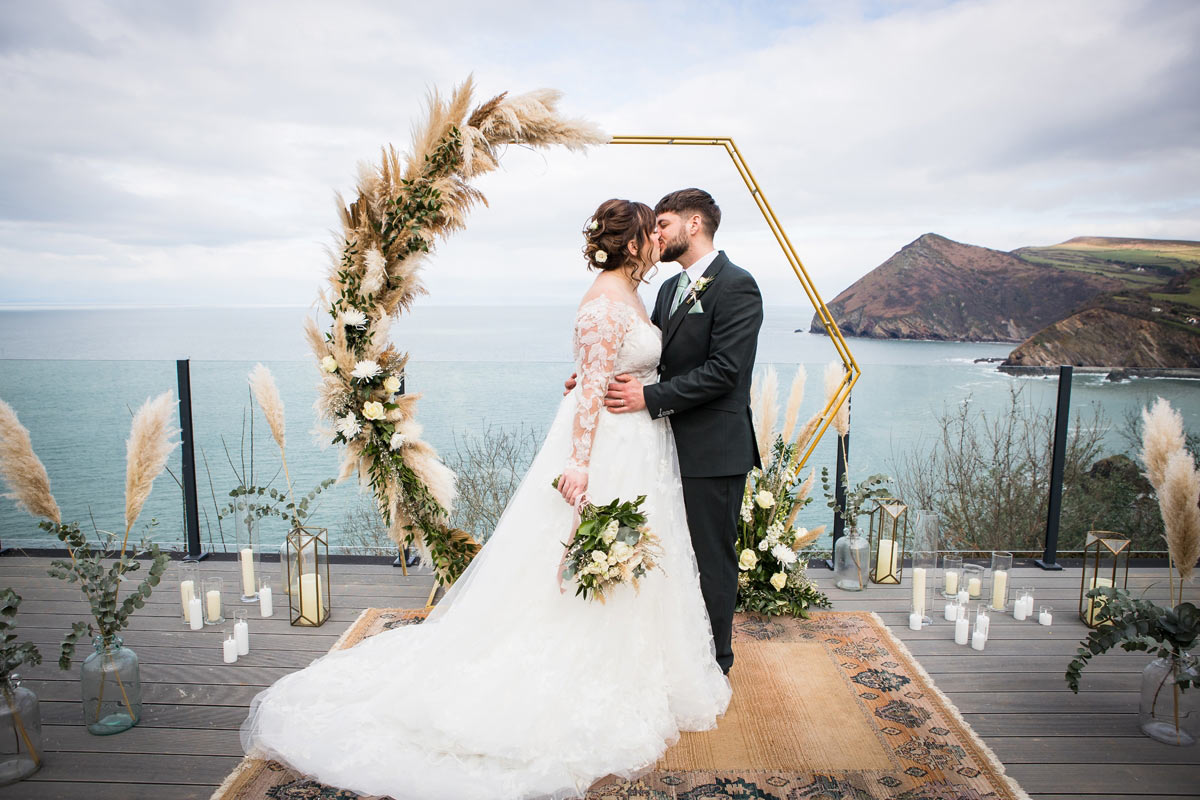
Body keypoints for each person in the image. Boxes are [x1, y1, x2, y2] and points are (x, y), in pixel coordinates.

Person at [241, 198, 731, 800]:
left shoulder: (635, 294)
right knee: (587, 557)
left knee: (642, 557)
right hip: (606, 446)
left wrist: (602, 379)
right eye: (650, 232)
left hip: (639, 440)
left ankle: (644, 663)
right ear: (632, 246)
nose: (658, 239)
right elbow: (592, 384)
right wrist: (578, 464)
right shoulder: (606, 300)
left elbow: (606, 370)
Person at [575, 188, 763, 675]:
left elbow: (726, 371)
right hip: (661, 448)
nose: (655, 236)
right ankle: (678, 656)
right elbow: (650, 362)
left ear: (693, 224)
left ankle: (717, 663)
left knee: (711, 559)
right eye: (652, 228)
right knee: (672, 557)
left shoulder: (737, 285)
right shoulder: (667, 291)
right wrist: (597, 375)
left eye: (663, 224)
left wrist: (648, 399)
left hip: (714, 449)